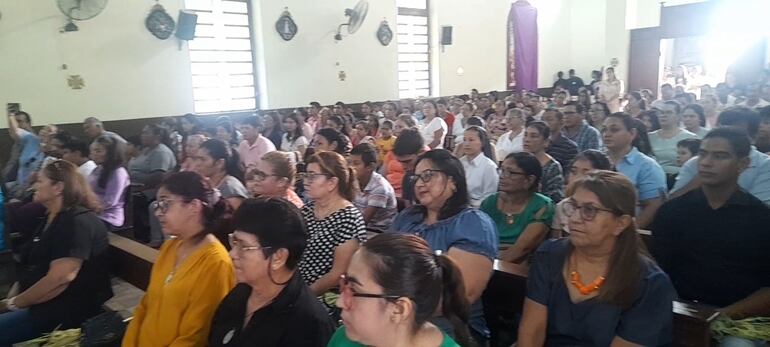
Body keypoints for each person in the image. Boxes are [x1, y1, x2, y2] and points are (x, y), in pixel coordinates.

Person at [517, 170, 675, 346]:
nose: (575, 219)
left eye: (589, 210)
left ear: (620, 223)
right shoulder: (550, 255)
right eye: (574, 207)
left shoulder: (649, 283)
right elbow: (532, 333)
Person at [651, 128, 770, 347]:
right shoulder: (673, 211)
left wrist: (721, 315)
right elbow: (656, 270)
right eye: (703, 154)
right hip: (677, 310)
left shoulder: (761, 219)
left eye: (720, 156)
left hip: (736, 317)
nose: (706, 162)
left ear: (742, 165)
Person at [389, 149, 497, 344]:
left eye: (428, 176)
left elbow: (458, 297)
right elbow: (383, 261)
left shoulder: (472, 223)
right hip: (397, 312)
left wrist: (393, 309)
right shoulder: (409, 216)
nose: (420, 183)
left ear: (453, 182)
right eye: (417, 177)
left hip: (449, 325)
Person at [0, 160, 112, 345]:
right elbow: (32, 265)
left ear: (58, 187)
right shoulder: (51, 217)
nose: (34, 185)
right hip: (40, 303)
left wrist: (13, 304)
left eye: (40, 181)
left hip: (66, 310)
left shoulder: (76, 223)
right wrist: (11, 299)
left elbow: (60, 279)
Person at [123, 171, 236, 346]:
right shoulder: (170, 247)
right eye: (157, 204)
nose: (158, 212)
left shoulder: (215, 263)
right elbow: (146, 305)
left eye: (165, 204)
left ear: (193, 207)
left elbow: (195, 336)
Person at [208, 198, 335, 347]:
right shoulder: (240, 294)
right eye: (234, 242)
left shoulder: (308, 324)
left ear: (278, 257)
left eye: (244, 246)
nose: (232, 254)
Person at [328, 234, 468, 347]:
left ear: (399, 309)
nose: (340, 302)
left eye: (353, 290)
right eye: (345, 285)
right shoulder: (345, 338)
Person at [671, 106, 770, 206]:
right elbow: (671, 202)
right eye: (721, 132)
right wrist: (701, 178)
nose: (725, 139)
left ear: (753, 137)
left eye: (735, 136)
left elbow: (761, 210)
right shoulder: (697, 162)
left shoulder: (764, 164)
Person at [298, 152, 367, 295]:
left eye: (312, 176)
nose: (306, 181)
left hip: (326, 295)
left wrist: (304, 297)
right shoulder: (307, 210)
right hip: (297, 287)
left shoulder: (348, 218)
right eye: (305, 175)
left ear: (332, 183)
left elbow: (338, 274)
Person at [481, 152, 554, 263]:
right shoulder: (490, 202)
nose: (502, 176)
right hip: (485, 260)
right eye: (502, 170)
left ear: (530, 179)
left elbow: (522, 249)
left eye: (511, 173)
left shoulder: (542, 206)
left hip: (517, 269)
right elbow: (477, 239)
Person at [602, 112, 666, 228]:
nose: (607, 134)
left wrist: (630, 231)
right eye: (604, 130)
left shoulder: (647, 166)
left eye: (614, 130)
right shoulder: (597, 159)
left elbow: (653, 206)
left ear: (632, 133)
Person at [551, 150, 613, 236]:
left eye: (586, 173)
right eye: (573, 172)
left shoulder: (610, 208)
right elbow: (556, 242)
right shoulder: (562, 206)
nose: (577, 178)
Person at [349, 144, 397, 233]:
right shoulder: (353, 181)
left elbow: (363, 222)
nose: (351, 167)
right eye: (350, 163)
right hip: (360, 227)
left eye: (356, 163)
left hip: (377, 231)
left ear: (370, 167)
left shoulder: (380, 188)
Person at [193, 139, 248, 213]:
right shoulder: (208, 184)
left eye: (203, 159)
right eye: (196, 159)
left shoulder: (231, 190)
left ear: (220, 163)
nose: (197, 164)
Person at [88, 135, 130, 229]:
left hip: (108, 217)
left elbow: (110, 201)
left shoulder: (118, 172)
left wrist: (90, 208)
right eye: (92, 151)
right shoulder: (98, 169)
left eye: (98, 151)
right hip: (93, 212)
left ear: (110, 153)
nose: (93, 154)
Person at [649, 101, 698, 178]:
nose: (663, 115)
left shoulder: (690, 137)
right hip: (651, 176)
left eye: (669, 112)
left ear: (678, 116)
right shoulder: (649, 137)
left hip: (678, 177)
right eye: (661, 112)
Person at [524, 121, 565, 203]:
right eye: (525, 135)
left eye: (534, 136)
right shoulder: (517, 161)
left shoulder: (553, 167)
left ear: (546, 142)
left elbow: (554, 199)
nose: (527, 140)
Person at [5, 111, 43, 196]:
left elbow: (15, 131)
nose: (16, 124)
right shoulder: (16, 145)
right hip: (17, 184)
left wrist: (11, 115)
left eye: (19, 121)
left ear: (29, 124)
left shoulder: (33, 139)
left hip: (31, 189)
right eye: (15, 122)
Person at [460, 126, 499, 207]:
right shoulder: (460, 162)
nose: (466, 144)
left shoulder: (489, 167)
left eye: (471, 140)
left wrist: (470, 206)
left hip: (477, 209)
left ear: (482, 142)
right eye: (464, 140)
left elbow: (489, 197)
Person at [128, 124, 177, 189]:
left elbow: (157, 178)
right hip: (133, 186)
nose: (142, 136)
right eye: (142, 133)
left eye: (146, 133)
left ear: (157, 136)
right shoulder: (146, 149)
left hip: (145, 191)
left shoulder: (161, 152)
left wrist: (133, 176)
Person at [392, 128, 427, 206]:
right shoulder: (408, 178)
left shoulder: (437, 178)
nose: (403, 167)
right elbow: (409, 209)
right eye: (400, 162)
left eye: (407, 161)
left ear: (421, 152)